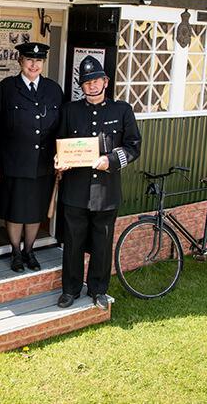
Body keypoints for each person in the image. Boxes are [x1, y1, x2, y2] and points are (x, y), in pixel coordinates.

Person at [55, 55, 141, 309]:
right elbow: (60, 143)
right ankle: (70, 290)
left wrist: (111, 160)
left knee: (102, 245)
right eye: (86, 82)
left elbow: (134, 147)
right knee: (73, 244)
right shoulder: (70, 111)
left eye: (96, 80)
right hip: (75, 191)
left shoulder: (122, 110)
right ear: (81, 86)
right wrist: (59, 159)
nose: (92, 86)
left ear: (105, 80)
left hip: (106, 191)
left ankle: (98, 290)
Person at [0, 42, 64, 272]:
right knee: (15, 210)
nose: (34, 65)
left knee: (34, 211)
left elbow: (62, 127)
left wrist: (62, 158)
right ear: (20, 61)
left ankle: (29, 251)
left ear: (43, 63)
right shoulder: (5, 89)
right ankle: (15, 252)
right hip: (14, 161)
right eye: (29, 60)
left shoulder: (53, 89)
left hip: (42, 164)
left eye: (39, 61)